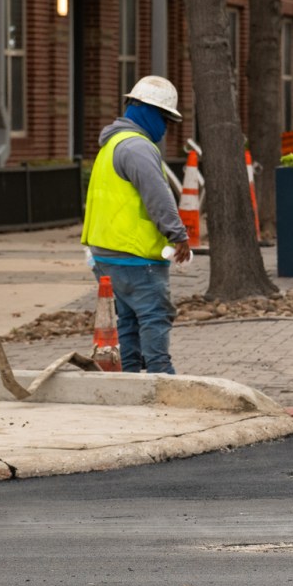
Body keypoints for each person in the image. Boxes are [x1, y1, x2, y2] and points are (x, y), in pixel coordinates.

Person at [82, 75, 192, 374]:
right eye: (164, 118)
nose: (166, 127)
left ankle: (130, 380)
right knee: (154, 316)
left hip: (105, 254)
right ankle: (161, 379)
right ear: (147, 111)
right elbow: (158, 196)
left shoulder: (111, 144)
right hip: (135, 255)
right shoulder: (137, 147)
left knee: (129, 319)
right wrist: (178, 235)